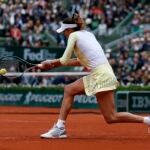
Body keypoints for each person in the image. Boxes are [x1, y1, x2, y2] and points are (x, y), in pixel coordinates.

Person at [38, 14, 150, 139]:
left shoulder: (73, 36)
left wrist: (51, 62)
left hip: (100, 75)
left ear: (69, 30)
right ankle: (148, 120)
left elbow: (64, 60)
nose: (63, 34)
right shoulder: (88, 35)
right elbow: (80, 60)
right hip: (106, 73)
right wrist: (52, 64)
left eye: (64, 31)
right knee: (111, 117)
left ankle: (59, 128)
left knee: (70, 90)